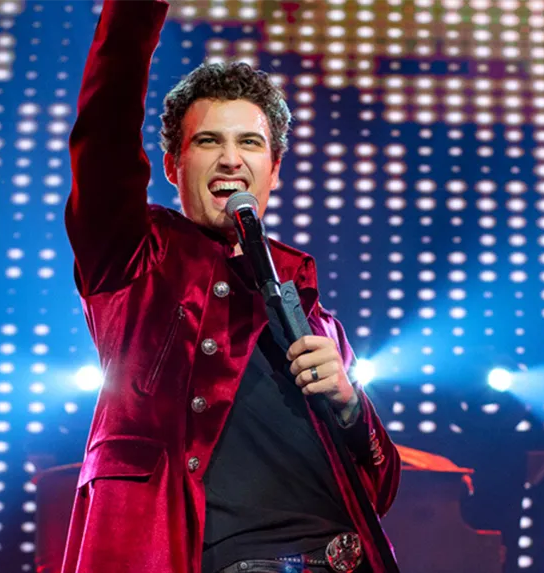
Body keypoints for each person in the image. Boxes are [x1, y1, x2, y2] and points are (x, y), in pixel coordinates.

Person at [60, 0, 400, 571]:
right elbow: (105, 132)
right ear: (172, 165)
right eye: (207, 142)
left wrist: (349, 405)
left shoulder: (315, 316)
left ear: (274, 169)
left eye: (249, 143)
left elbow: (380, 489)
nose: (229, 160)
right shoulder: (137, 260)